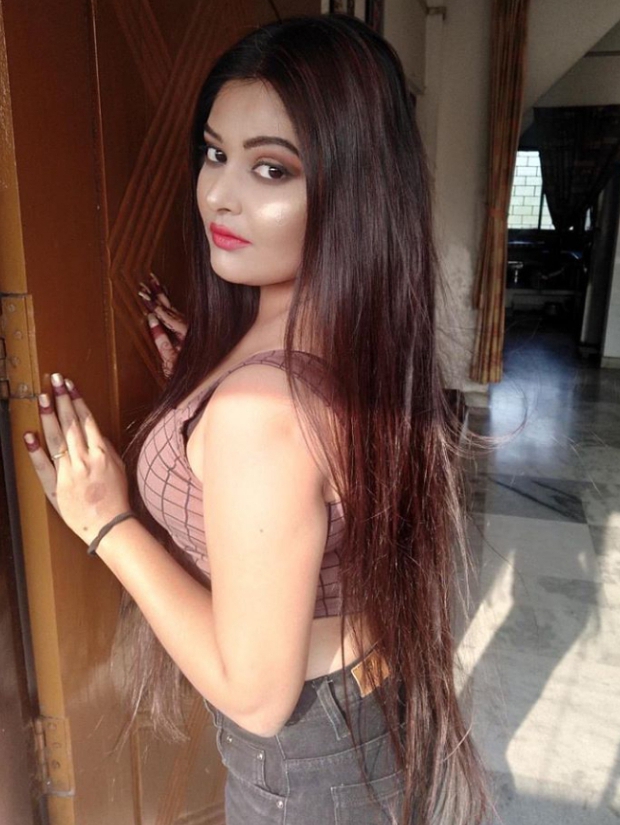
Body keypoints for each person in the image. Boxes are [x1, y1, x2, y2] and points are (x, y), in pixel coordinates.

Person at [23, 14, 489, 825]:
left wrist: (106, 522)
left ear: (352, 189)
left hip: (307, 767)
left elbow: (256, 694)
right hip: (365, 719)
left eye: (271, 168)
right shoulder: (343, 334)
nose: (220, 195)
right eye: (215, 153)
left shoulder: (261, 409)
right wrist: (203, 383)